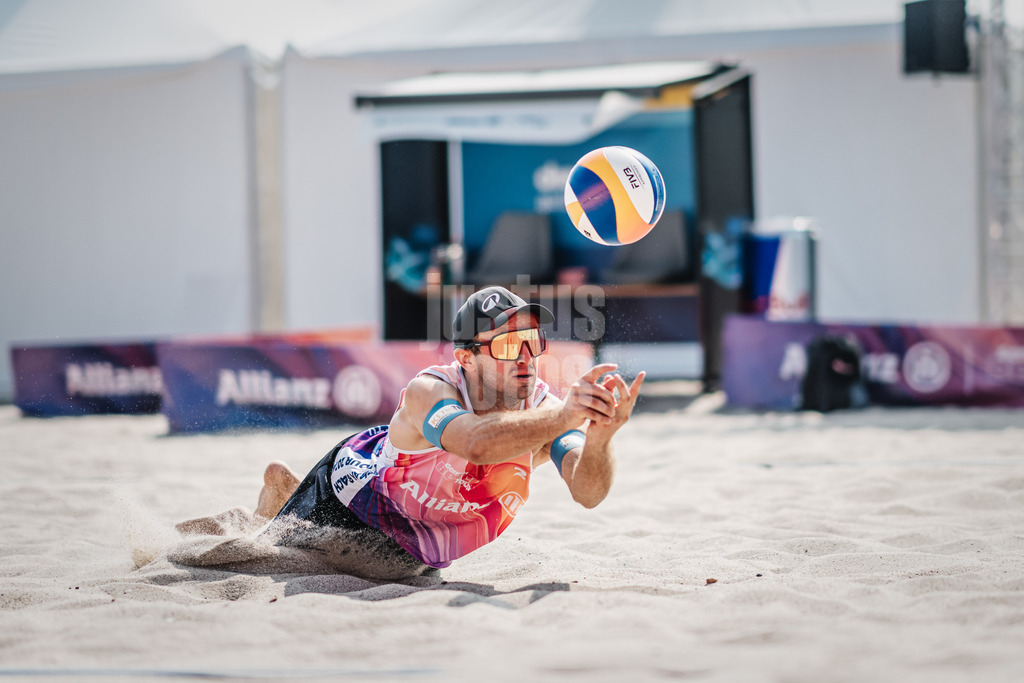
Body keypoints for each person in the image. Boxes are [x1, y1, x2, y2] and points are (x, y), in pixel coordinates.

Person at [177, 286, 644, 579]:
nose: (526, 356)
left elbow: (588, 493)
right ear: (466, 358)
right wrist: (567, 415)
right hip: (348, 507)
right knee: (253, 552)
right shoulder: (430, 389)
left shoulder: (543, 408)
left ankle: (279, 490)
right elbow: (475, 444)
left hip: (413, 552)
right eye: (506, 344)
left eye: (532, 342)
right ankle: (250, 506)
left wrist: (601, 436)